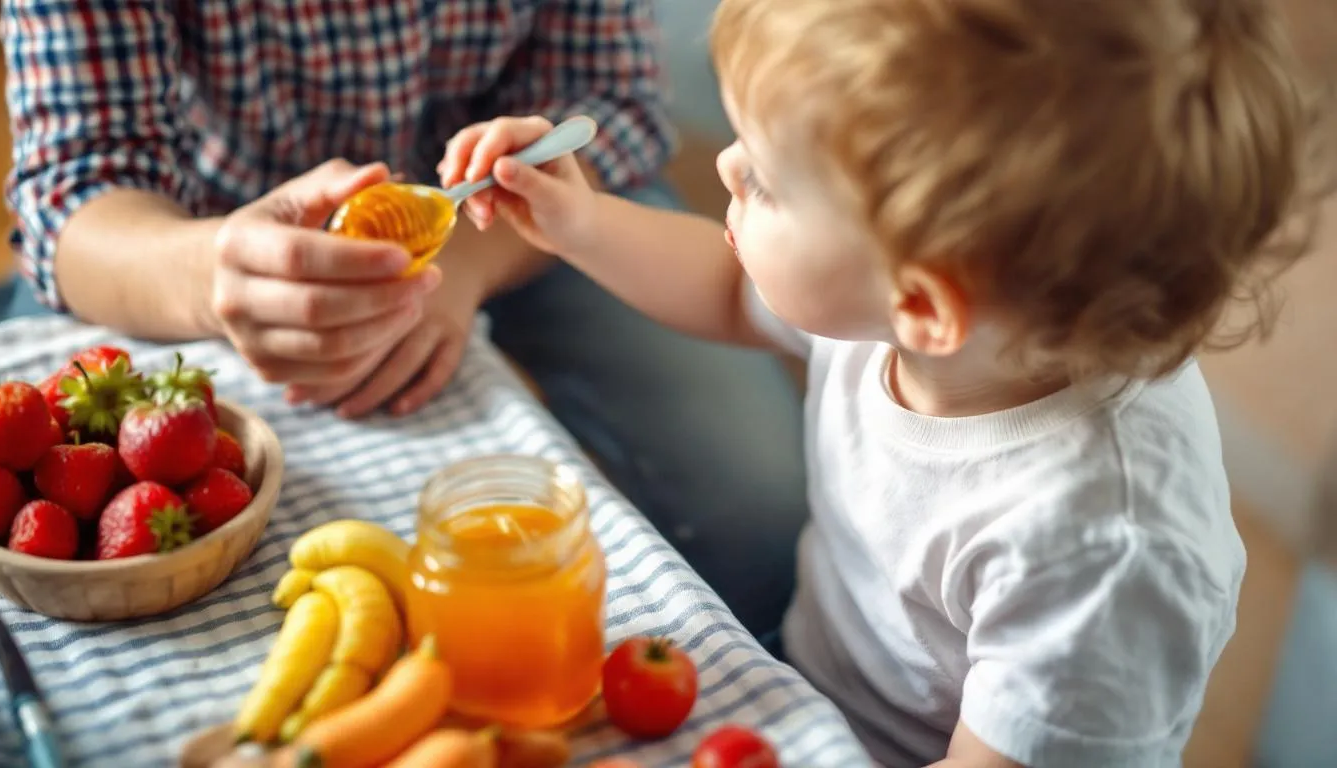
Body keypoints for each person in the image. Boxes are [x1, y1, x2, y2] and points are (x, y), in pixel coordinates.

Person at [436, 0, 1314, 764]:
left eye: (768, 182)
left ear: (925, 305)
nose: (726, 170)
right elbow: (734, 292)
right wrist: (579, 223)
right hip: (820, 686)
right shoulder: (941, 315)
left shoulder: (1104, 549)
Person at [0, 1, 806, 644]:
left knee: (761, 516)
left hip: (528, 215)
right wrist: (213, 275)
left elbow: (614, 106)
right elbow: (78, 185)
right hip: (187, 230)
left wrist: (473, 257)